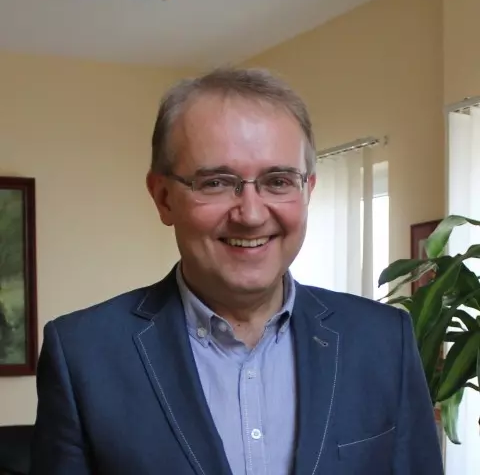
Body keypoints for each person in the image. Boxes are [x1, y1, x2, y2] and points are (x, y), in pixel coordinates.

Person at [30, 68, 444, 475]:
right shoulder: (83, 355)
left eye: (278, 181)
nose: (250, 215)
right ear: (163, 198)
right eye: (216, 182)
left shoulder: (383, 341)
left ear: (307, 191)